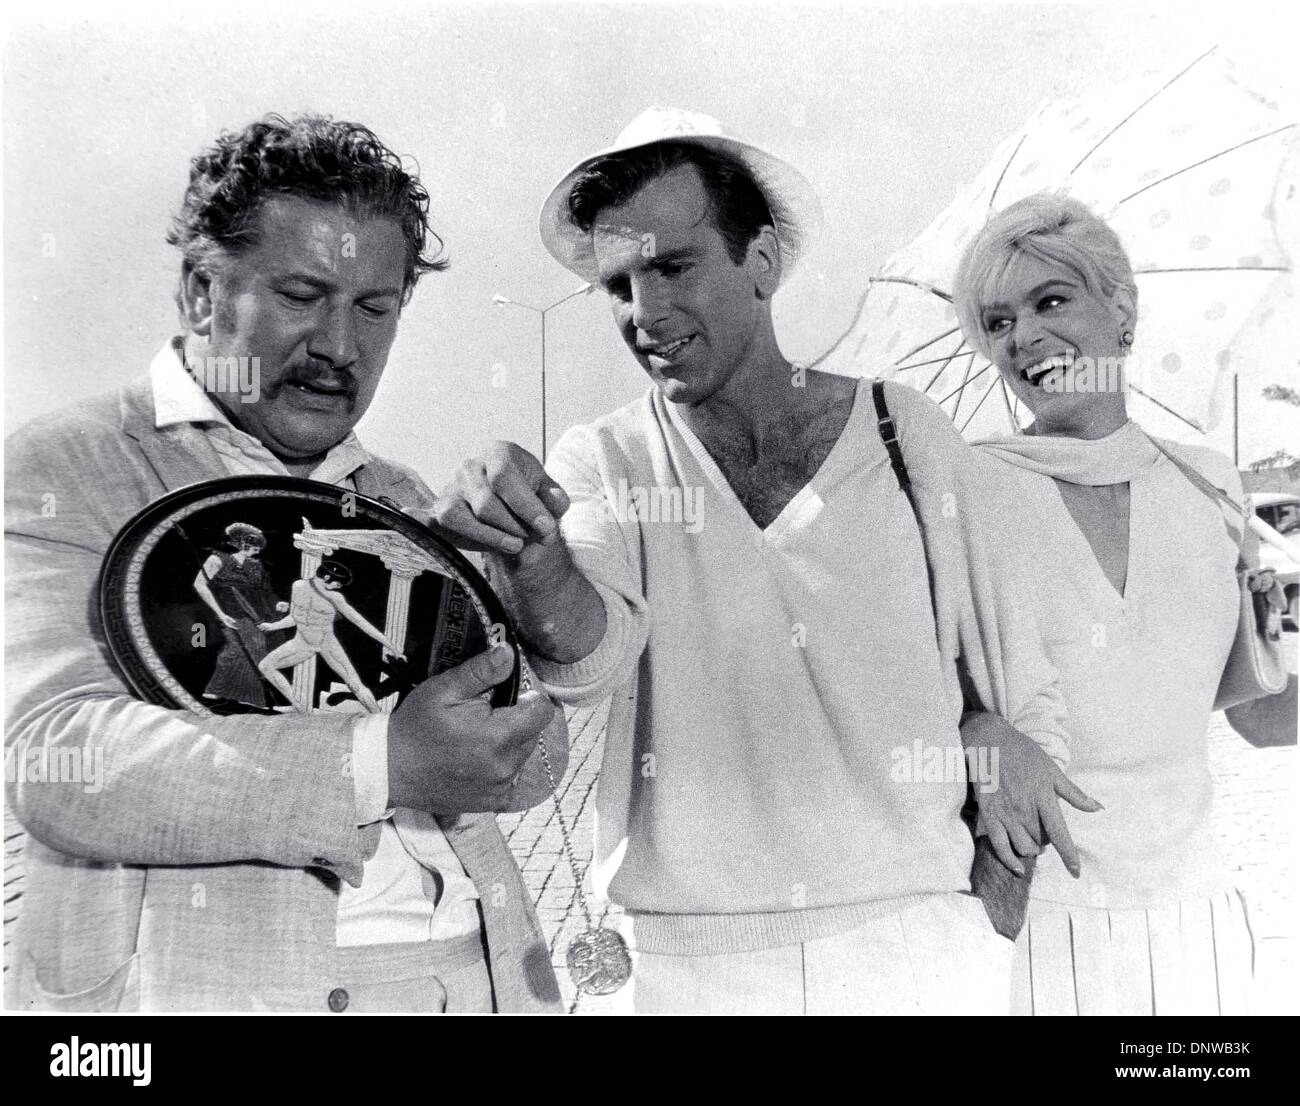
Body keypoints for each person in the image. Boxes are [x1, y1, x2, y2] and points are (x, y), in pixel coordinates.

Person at [433, 108, 1075, 1014]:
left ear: (763, 261)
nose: (644, 312)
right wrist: (530, 553)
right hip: (680, 967)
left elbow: (1022, 687)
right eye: (618, 285)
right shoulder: (605, 461)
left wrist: (983, 925)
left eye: (672, 266)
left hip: (910, 950)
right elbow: (586, 655)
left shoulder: (902, 433)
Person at [5, 114, 566, 1013]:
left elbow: (528, 765)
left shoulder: (394, 492)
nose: (341, 347)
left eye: (375, 308)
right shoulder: (68, 464)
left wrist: (526, 591)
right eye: (304, 294)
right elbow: (56, 759)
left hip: (478, 978)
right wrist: (382, 760)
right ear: (199, 292)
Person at [951, 191, 1273, 1015]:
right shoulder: (970, 491)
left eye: (1050, 301)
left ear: (1120, 310)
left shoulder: (1213, 487)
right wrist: (978, 729)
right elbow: (905, 700)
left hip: (1201, 922)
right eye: (996, 322)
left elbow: (1265, 720)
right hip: (1037, 926)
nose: (1023, 336)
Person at [257, 560, 405, 714]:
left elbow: (361, 622)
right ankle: (299, 707)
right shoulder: (299, 586)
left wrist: (391, 647)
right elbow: (296, 616)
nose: (338, 588)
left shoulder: (335, 597)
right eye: (337, 584)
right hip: (302, 643)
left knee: (354, 684)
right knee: (266, 666)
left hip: (326, 643)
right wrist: (274, 626)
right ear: (327, 577)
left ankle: (378, 717)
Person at [192, 522, 287, 709]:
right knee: (254, 647)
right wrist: (219, 613)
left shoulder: (255, 565)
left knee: (240, 651)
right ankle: (250, 697)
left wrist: (278, 602)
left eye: (258, 548)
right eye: (253, 547)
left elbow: (265, 591)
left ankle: (218, 691)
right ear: (241, 543)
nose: (256, 552)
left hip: (254, 613)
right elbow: (199, 584)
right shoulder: (218, 559)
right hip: (228, 612)